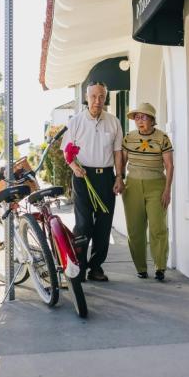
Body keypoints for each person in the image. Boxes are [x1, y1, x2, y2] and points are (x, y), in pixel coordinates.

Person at [61, 81, 124, 282]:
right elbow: (66, 149)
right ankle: (79, 265)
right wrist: (74, 167)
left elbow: (117, 152)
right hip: (82, 177)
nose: (98, 101)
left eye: (102, 97)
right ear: (86, 98)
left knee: (104, 225)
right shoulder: (76, 122)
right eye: (94, 96)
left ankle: (96, 267)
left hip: (106, 177)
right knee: (83, 224)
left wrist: (119, 176)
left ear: (106, 98)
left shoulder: (114, 122)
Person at [121, 102, 174, 281]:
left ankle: (160, 266)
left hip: (156, 185)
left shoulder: (163, 137)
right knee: (135, 229)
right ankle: (141, 267)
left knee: (158, 227)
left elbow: (169, 165)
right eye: (137, 117)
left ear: (152, 120)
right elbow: (123, 161)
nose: (139, 121)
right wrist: (118, 179)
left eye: (143, 117)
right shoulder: (129, 137)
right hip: (132, 185)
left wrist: (167, 190)